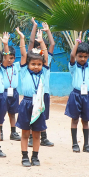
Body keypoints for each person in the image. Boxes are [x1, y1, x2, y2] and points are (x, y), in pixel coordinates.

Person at [16, 26, 48, 167]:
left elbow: (46, 57)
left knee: (36, 133)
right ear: (28, 64)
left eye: (39, 64)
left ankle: (35, 156)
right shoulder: (24, 72)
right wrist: (22, 38)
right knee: (25, 133)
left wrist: (41, 42)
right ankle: (24, 156)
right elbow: (23, 55)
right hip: (27, 103)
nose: (36, 66)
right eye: (33, 64)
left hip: (39, 105)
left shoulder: (44, 72)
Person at [65, 31, 89, 153]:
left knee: (85, 121)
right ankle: (75, 144)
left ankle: (86, 145)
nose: (82, 59)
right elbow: (71, 55)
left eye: (85, 57)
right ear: (77, 56)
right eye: (80, 56)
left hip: (87, 97)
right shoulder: (73, 67)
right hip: (76, 95)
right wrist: (77, 42)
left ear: (88, 57)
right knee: (74, 120)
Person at [28, 20, 56, 148]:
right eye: (38, 47)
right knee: (31, 113)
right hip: (33, 93)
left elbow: (52, 44)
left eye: (42, 47)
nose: (40, 49)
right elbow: (30, 43)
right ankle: (30, 137)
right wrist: (34, 27)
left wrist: (48, 31)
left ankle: (43, 137)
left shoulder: (46, 61)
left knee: (42, 115)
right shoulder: (31, 60)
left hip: (44, 92)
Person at [0, 39, 20, 142]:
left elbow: (25, 57)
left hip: (14, 92)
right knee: (1, 113)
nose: (9, 60)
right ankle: (0, 132)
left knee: (12, 113)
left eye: (11, 58)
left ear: (14, 59)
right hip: (3, 92)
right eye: (7, 58)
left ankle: (13, 132)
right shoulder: (1, 68)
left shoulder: (16, 66)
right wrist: (5, 44)